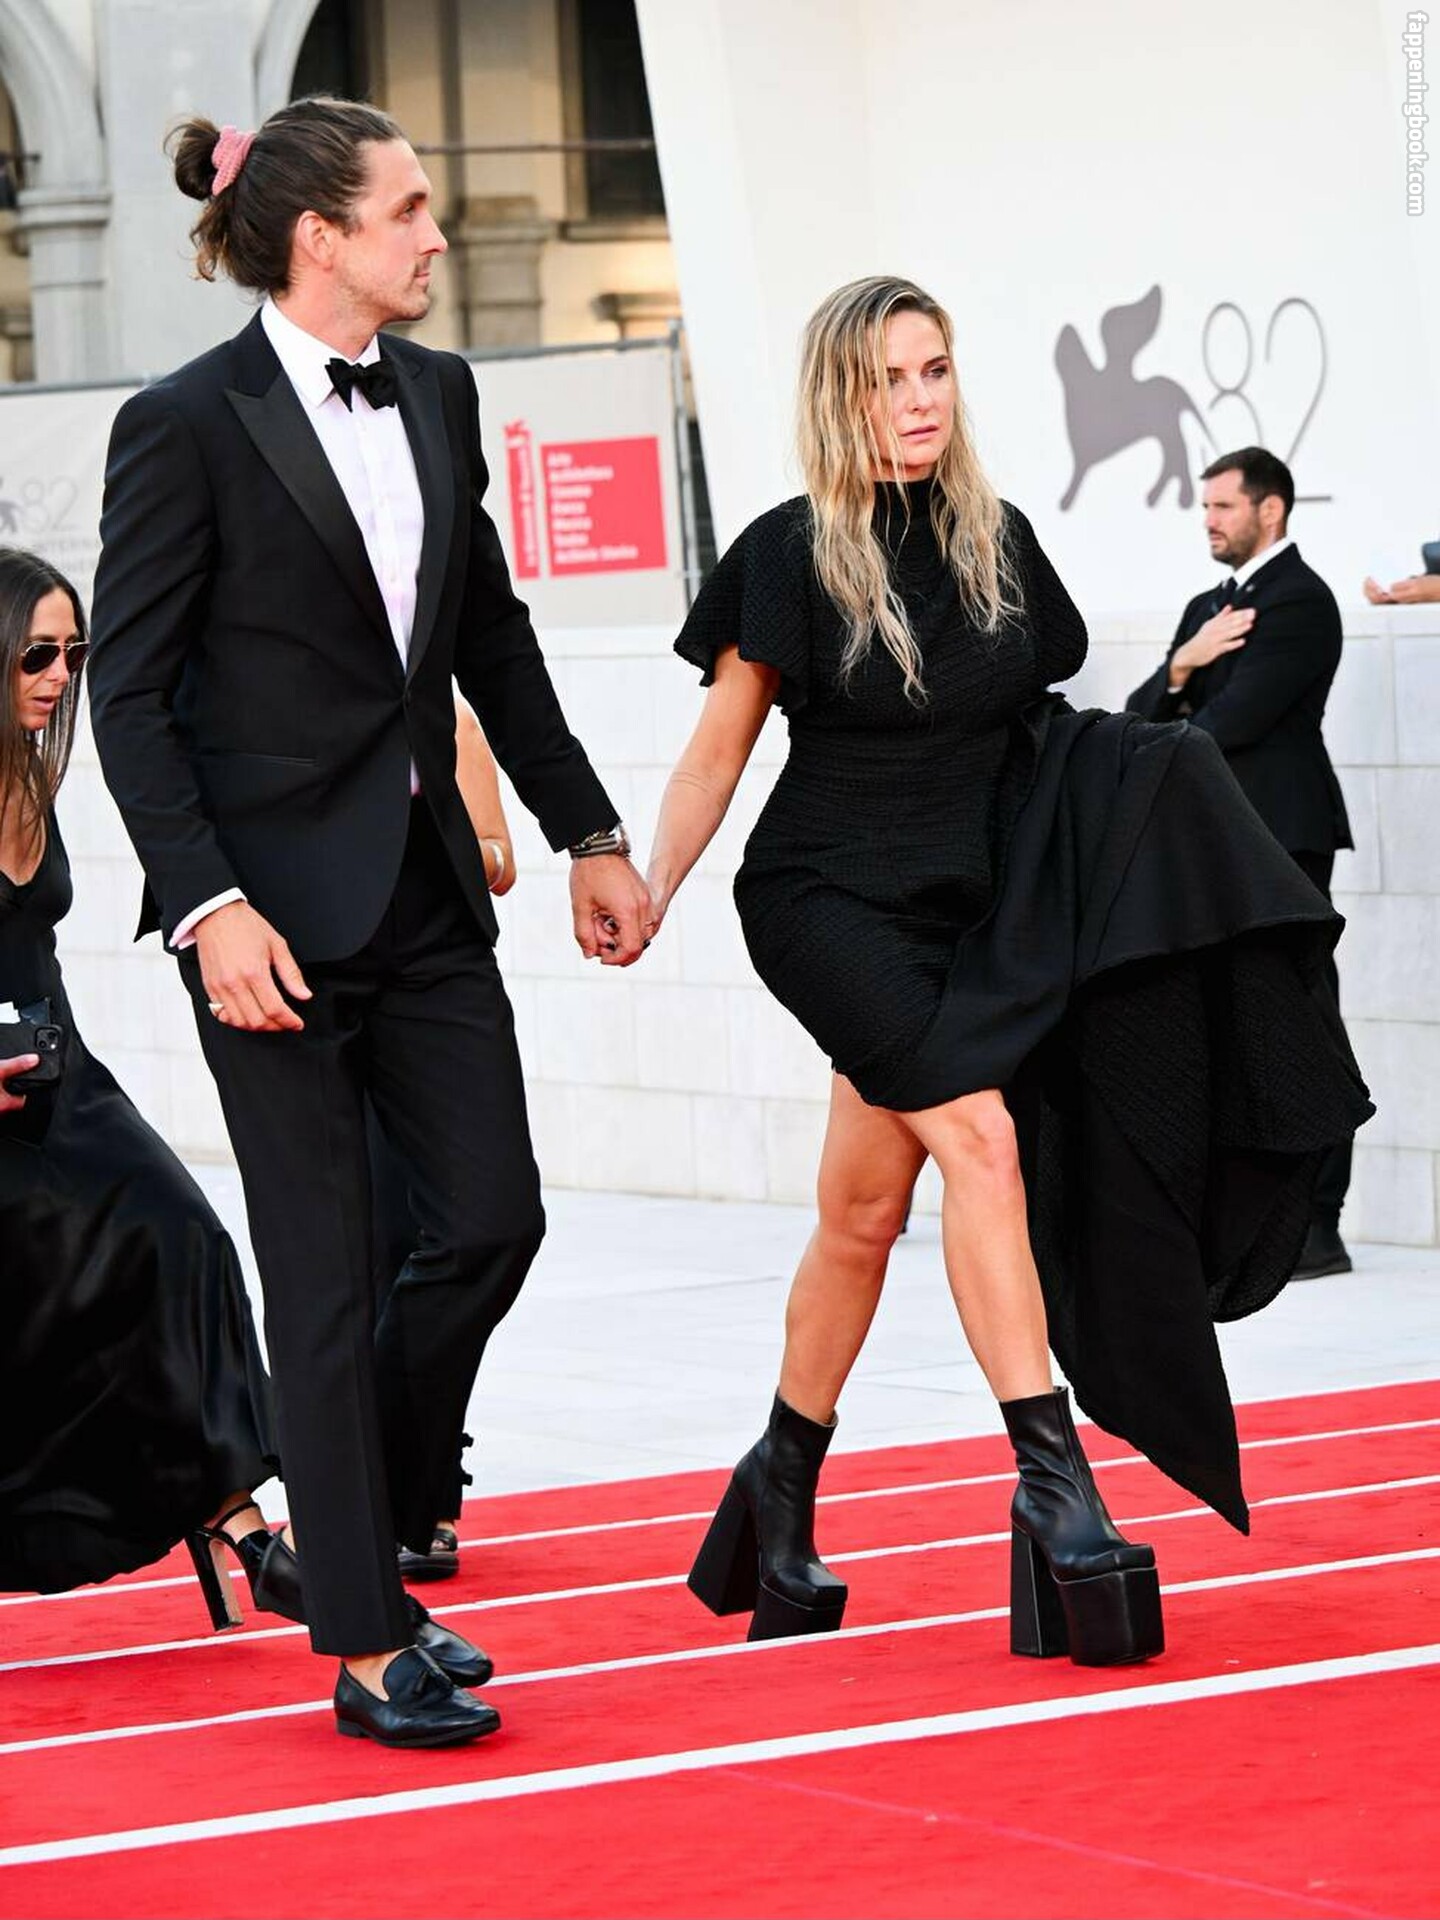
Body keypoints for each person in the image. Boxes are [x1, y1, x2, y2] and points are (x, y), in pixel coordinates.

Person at [646, 277, 1371, 1666]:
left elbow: (1046, 726)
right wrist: (647, 884)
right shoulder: (788, 552)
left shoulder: (995, 539)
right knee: (981, 1142)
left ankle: (775, 1498)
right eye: (888, 377)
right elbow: (715, 757)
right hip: (827, 903)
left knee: (862, 1213)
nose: (919, 399)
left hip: (970, 919)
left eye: (935, 370)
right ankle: (1054, 1487)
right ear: (839, 395)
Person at [87, 98, 650, 1749]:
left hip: (423, 895)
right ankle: (364, 1630)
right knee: (321, 1272)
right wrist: (206, 904)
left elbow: (490, 635)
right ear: (318, 235)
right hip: (263, 925)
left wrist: (588, 829)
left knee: (491, 1218)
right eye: (408, 208)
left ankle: (348, 1510)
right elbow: (130, 697)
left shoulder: (443, 393)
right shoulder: (184, 423)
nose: (435, 233)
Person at [0, 546, 301, 1630]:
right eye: (36, 654)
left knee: (187, 1240)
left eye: (72, 654)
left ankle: (232, 1516)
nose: (59, 675)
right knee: (53, 1292)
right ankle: (233, 1527)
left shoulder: (31, 775)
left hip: (62, 1078)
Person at [1126, 448, 1356, 1280]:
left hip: (1283, 836)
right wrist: (1183, 663)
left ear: (1271, 510)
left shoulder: (1300, 600)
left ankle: (1320, 1223)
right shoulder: (1206, 609)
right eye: (1206, 507)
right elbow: (1145, 712)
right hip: (1215, 843)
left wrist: (1172, 719)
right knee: (1227, 1025)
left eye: (1224, 506)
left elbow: (1231, 723)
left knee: (1303, 1018)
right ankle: (1248, 1225)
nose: (1210, 521)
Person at [371, 695, 517, 1583]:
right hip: (324, 994)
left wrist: (446, 838)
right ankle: (381, 1488)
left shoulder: (451, 718)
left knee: (452, 1246)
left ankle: (426, 1484)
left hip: (429, 991)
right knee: (376, 1245)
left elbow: (497, 857)